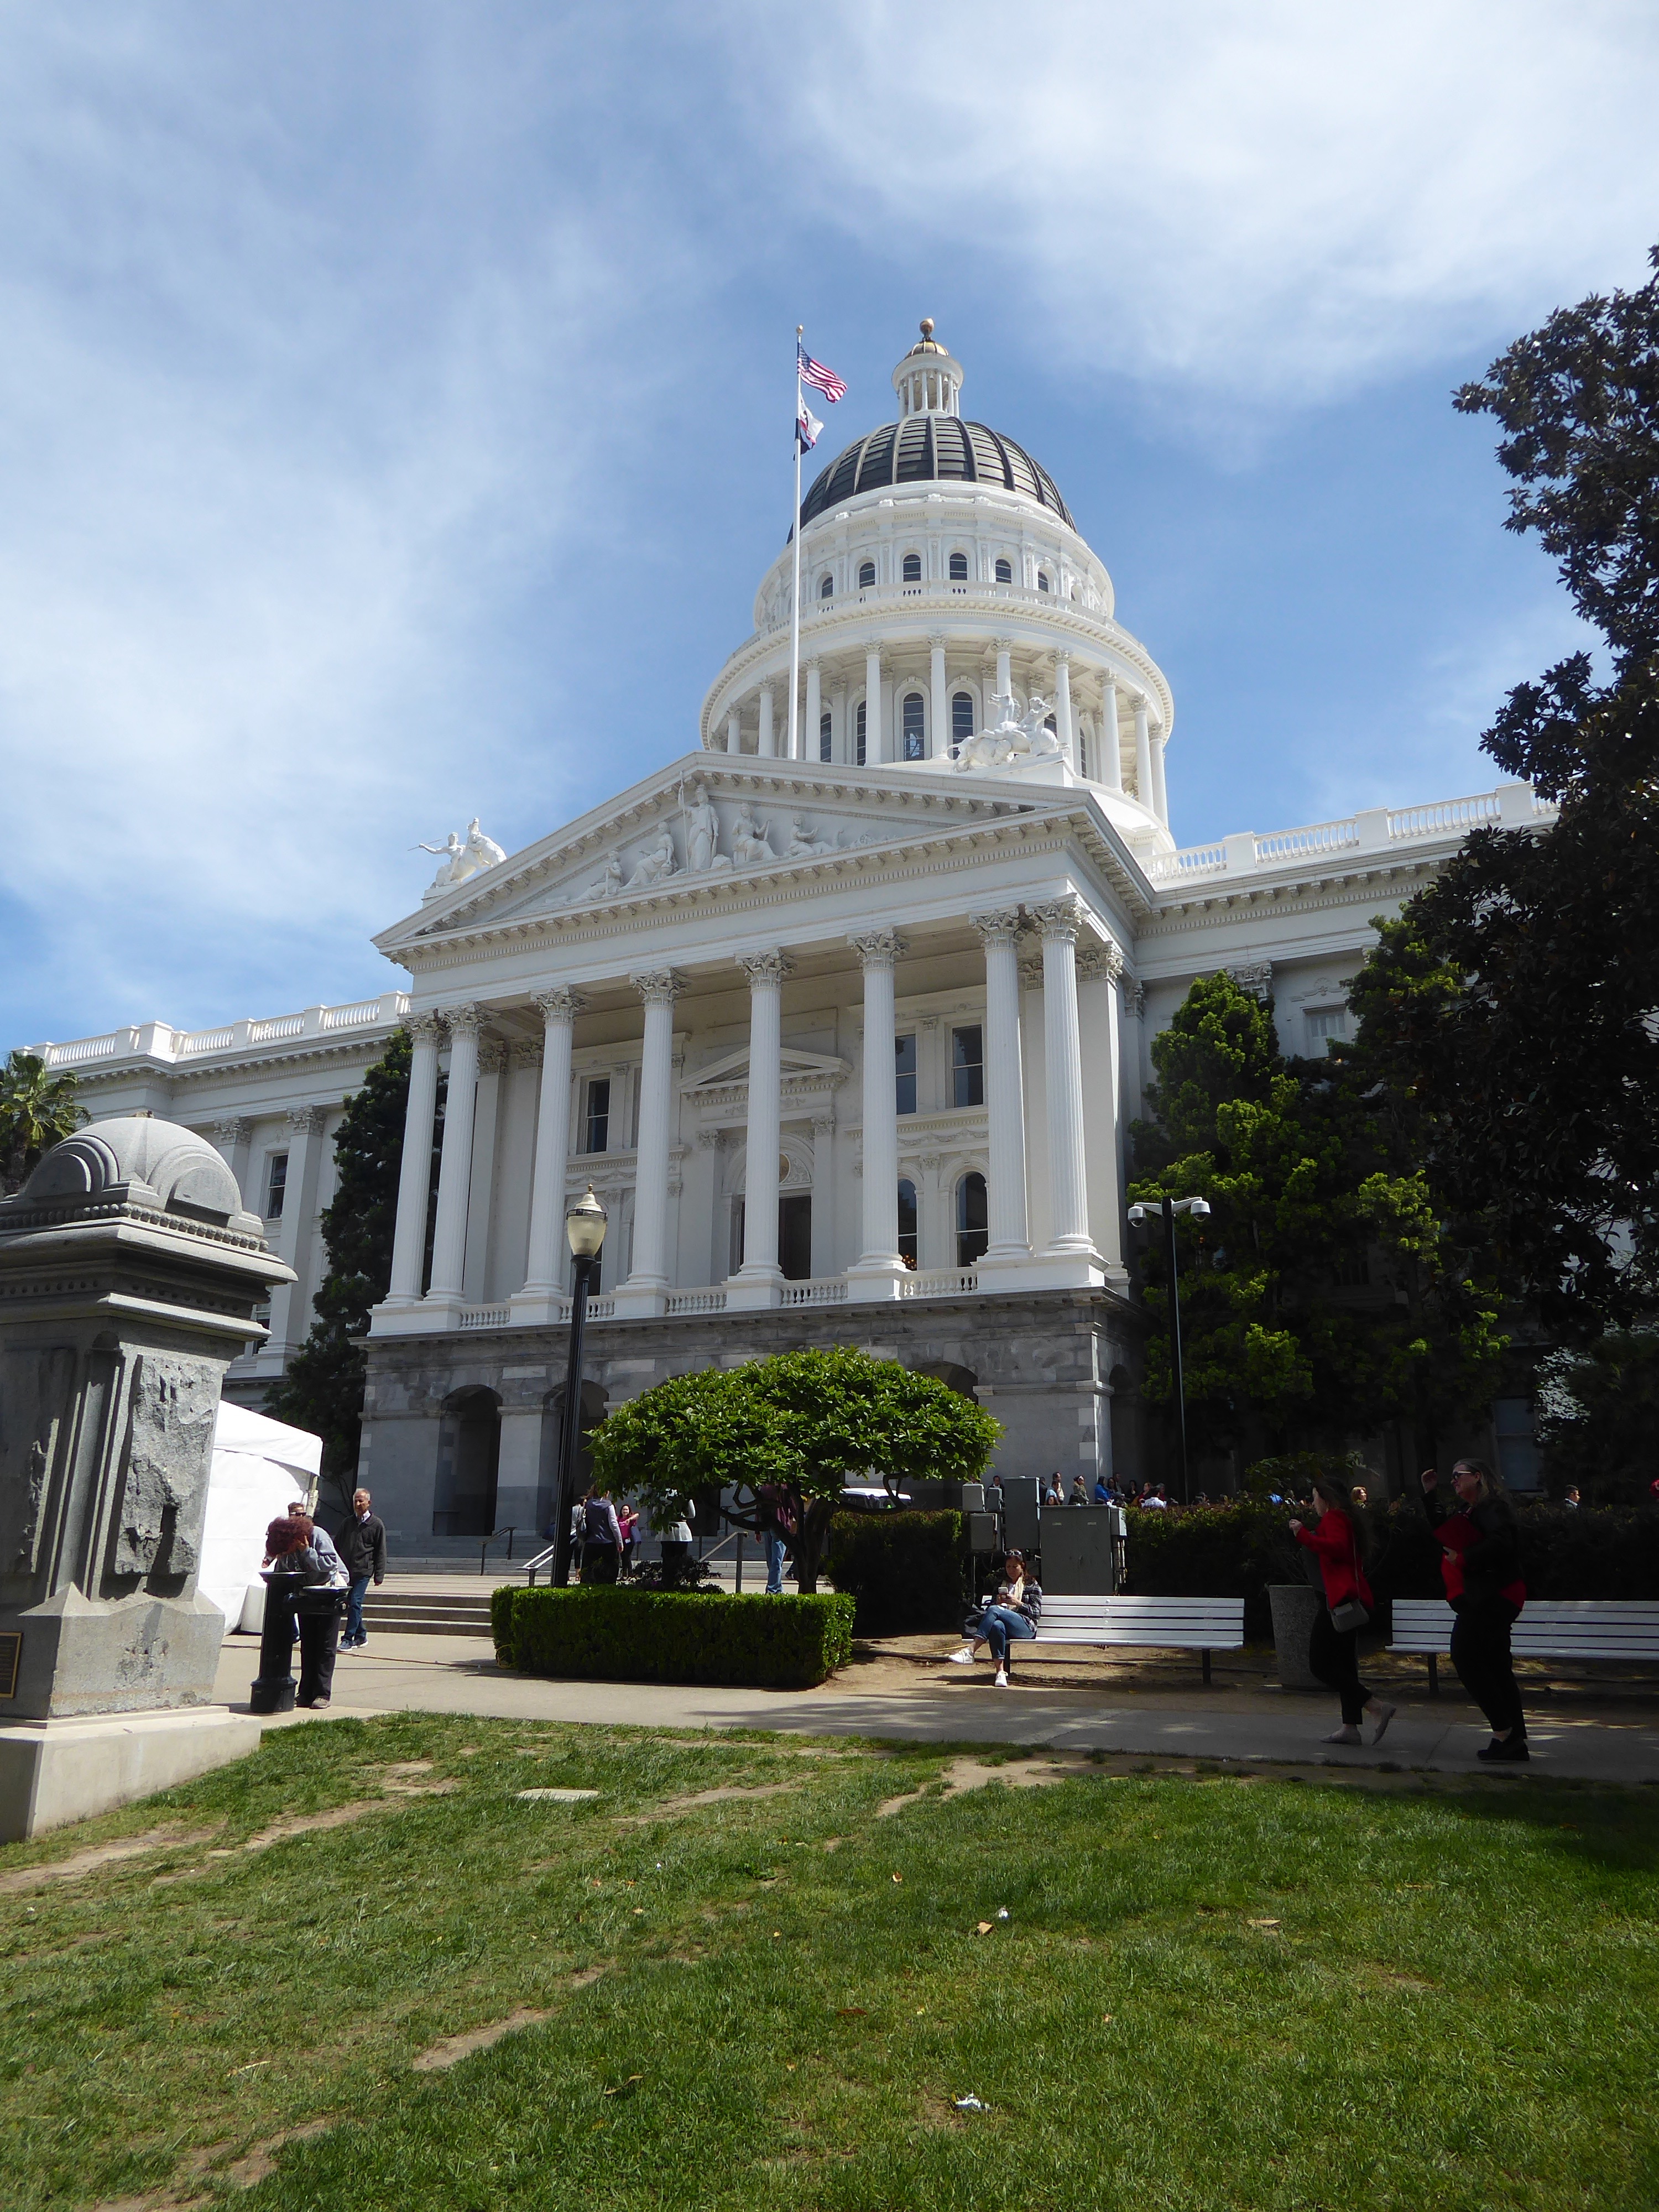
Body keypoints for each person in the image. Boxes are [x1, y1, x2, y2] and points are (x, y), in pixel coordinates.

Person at [1421, 1460, 1528, 1761]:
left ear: (1478, 1477)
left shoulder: (1493, 1507)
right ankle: (1514, 1741)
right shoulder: (1469, 1511)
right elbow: (1446, 1531)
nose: (1454, 1480)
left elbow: (1502, 1542)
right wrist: (1430, 1494)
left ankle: (1504, 1731)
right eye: (1452, 1477)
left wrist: (1464, 1558)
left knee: (1466, 1656)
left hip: (1495, 1595)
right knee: (1496, 1665)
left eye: (1459, 1475)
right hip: (1486, 1595)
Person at [1289, 1473, 1396, 1748]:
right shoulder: (1346, 1518)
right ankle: (1350, 1727)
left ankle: (1375, 1706)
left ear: (1326, 1498)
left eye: (1315, 1498)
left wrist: (1303, 1535)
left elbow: (1336, 1549)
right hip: (1349, 1598)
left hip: (1338, 1600)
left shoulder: (1334, 1518)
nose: (1313, 1503)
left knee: (1320, 1664)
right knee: (1345, 1663)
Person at [264, 1513, 346, 1709]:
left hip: (329, 1593)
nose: (286, 1554)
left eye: (287, 1550)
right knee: (308, 1645)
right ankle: (306, 1692)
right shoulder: (286, 1550)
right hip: (306, 1593)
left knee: (325, 1646)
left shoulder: (317, 1535)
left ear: (294, 1539)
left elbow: (330, 1564)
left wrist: (307, 1551)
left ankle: (322, 1693)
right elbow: (284, 1571)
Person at [946, 1551, 1042, 1687]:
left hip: (1025, 1626)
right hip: (1004, 1624)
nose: (1011, 1570)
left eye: (1015, 1567)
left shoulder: (1032, 1585)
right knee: (997, 1625)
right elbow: (991, 1610)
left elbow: (1036, 1613)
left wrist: (1017, 1603)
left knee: (995, 1611)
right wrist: (997, 1602)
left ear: (1022, 1566)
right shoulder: (1001, 1584)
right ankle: (1000, 1672)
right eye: (1008, 1567)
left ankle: (971, 1650)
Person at [337, 1488, 386, 1651]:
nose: (358, 1504)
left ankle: (348, 1639)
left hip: (363, 1571)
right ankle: (361, 1635)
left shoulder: (376, 1524)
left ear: (369, 1503)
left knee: (355, 1602)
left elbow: (381, 1551)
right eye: (356, 1501)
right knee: (352, 1604)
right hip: (347, 1571)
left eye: (361, 1501)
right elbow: (337, 1546)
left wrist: (379, 1575)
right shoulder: (347, 1523)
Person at [754, 1483, 796, 1596]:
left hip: (766, 1526)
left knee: (772, 1561)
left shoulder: (764, 1488)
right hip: (780, 1526)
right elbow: (793, 1507)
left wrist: (757, 1530)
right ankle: (772, 1590)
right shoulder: (784, 1488)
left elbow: (758, 1508)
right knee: (776, 1561)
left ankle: (777, 1589)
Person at [578, 1485, 624, 1582]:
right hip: (608, 1544)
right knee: (609, 1574)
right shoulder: (609, 1506)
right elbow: (614, 1525)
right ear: (606, 1492)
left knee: (589, 1574)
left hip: (591, 1543)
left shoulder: (588, 1504)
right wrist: (620, 1542)